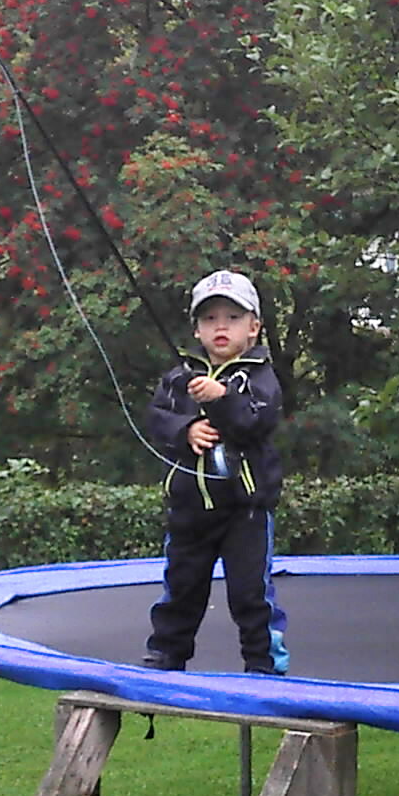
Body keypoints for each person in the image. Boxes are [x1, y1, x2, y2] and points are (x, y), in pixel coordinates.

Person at [141, 269, 289, 674]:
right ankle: (166, 653)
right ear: (197, 329)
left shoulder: (260, 376)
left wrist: (221, 398)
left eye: (232, 318)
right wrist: (185, 429)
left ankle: (264, 663)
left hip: (245, 510)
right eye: (209, 319)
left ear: (253, 327)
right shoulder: (180, 377)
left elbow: (255, 421)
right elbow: (156, 418)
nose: (220, 327)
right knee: (181, 587)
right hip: (189, 508)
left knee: (250, 593)